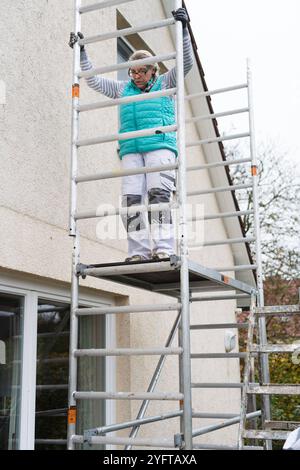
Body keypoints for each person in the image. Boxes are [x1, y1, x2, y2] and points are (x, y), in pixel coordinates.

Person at [69, 8, 193, 262]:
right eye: (132, 72)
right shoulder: (123, 89)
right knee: (131, 201)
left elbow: (186, 64)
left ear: (152, 71)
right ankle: (138, 252)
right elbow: (93, 81)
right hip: (131, 150)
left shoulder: (165, 84)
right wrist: (81, 53)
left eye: (141, 71)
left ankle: (164, 249)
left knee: (158, 197)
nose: (136, 76)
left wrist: (184, 31)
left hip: (160, 145)